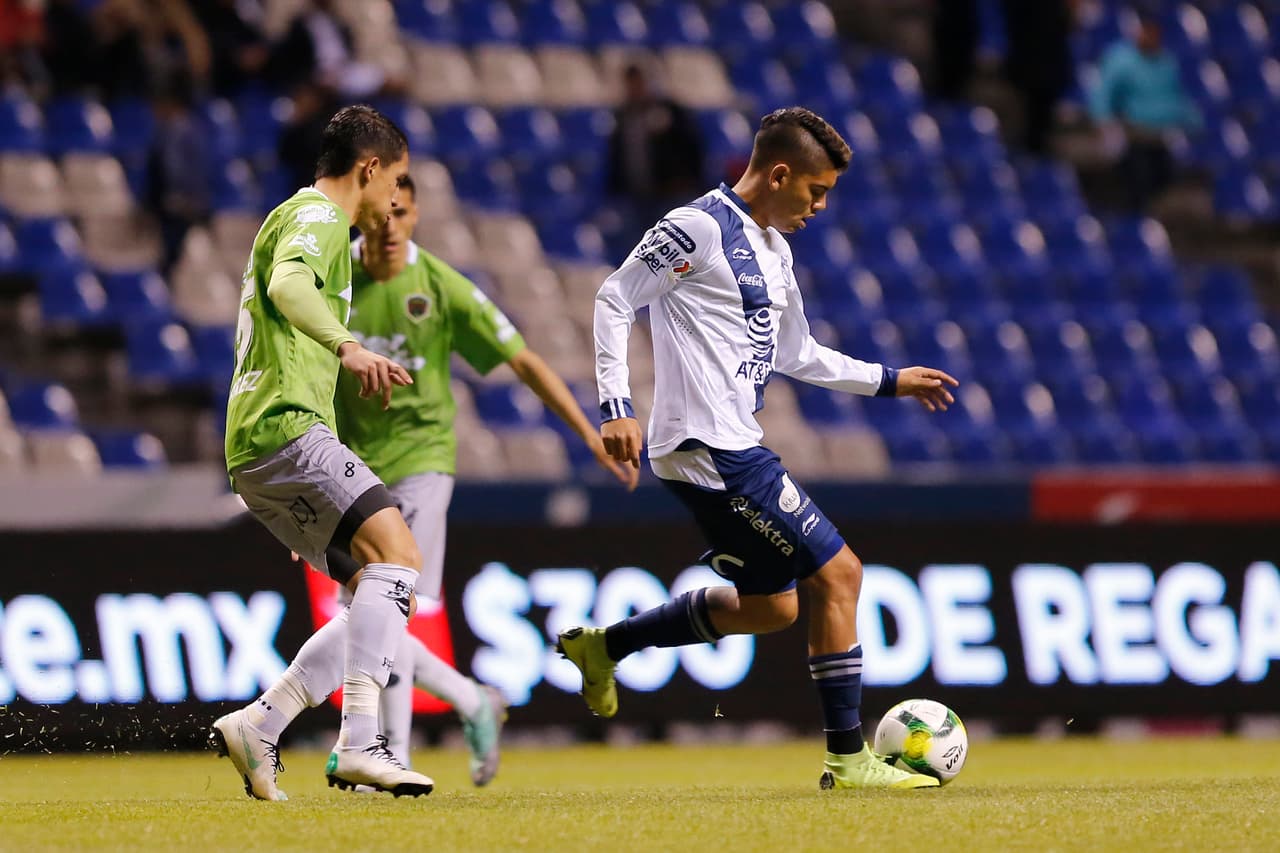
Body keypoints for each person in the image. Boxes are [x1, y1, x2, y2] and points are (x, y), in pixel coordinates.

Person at [557, 107, 959, 790]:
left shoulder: (776, 250)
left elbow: (799, 354)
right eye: (816, 189)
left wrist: (891, 380)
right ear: (779, 173)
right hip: (708, 445)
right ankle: (848, 760)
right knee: (841, 574)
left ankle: (605, 645)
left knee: (775, 607)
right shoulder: (698, 227)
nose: (821, 206)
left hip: (728, 444)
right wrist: (616, 406)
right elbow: (615, 296)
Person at [290, 173, 639, 785]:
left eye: (404, 212)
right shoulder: (332, 280)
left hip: (423, 463)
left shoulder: (443, 287)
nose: (392, 225)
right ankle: (471, 701)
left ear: (417, 214)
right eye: (383, 213)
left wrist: (588, 432)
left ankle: (386, 750)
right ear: (363, 214)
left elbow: (522, 360)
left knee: (384, 607)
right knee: (365, 617)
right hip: (349, 467)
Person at [210, 104, 434, 801]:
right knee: (398, 554)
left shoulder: (300, 218)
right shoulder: (319, 217)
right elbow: (287, 285)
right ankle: (361, 741)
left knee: (375, 583)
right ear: (368, 169)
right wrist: (348, 343)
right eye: (394, 181)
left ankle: (262, 722)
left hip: (269, 438)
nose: (396, 201)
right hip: (283, 428)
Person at [1089, 10, 1200, 211]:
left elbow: (1177, 97)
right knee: (1137, 182)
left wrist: (1193, 122)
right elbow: (1103, 93)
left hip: (1159, 136)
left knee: (1165, 177)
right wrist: (1105, 123)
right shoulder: (1120, 60)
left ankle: (1139, 213)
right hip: (1134, 136)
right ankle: (1132, 220)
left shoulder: (1166, 62)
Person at [606, 63, 706, 260]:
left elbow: (693, 147)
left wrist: (687, 179)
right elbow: (617, 155)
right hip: (637, 196)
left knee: (677, 251)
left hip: (672, 194)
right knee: (642, 255)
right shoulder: (622, 116)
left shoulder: (672, 112)